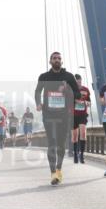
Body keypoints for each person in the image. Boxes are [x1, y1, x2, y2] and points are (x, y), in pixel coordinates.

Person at [34, 51, 81, 186]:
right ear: (50, 61)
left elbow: (77, 94)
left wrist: (66, 90)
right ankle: (53, 173)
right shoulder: (44, 76)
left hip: (63, 115)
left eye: (59, 58)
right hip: (48, 114)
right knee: (52, 142)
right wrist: (38, 103)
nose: (57, 60)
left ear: (61, 61)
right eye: (54, 58)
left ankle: (59, 168)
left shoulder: (68, 76)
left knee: (61, 144)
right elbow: (38, 91)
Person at [72, 74, 91, 163]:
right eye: (77, 83)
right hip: (73, 115)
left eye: (80, 82)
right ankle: (75, 154)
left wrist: (86, 103)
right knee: (75, 136)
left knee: (83, 133)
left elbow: (89, 102)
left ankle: (82, 155)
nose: (78, 84)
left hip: (83, 114)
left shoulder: (86, 90)